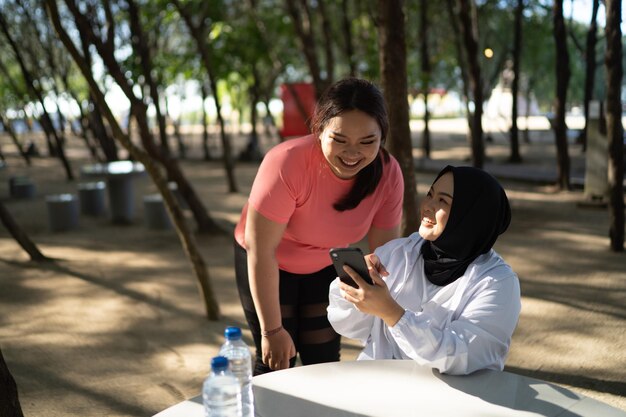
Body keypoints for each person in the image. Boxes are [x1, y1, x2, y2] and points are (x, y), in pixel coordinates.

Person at [234, 78, 404, 375]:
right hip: (269, 262)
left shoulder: (388, 174)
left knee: (323, 362)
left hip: (325, 264)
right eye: (339, 139)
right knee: (277, 360)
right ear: (319, 129)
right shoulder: (286, 162)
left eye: (367, 142)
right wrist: (272, 331)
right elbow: (261, 250)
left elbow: (386, 256)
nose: (352, 153)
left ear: (382, 137)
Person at [327, 165, 521, 375]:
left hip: (454, 399)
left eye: (443, 201)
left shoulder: (497, 282)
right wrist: (354, 287)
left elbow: (461, 354)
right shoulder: (398, 253)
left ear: (470, 216)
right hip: (380, 386)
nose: (428, 205)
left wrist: (393, 314)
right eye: (430, 194)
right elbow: (348, 325)